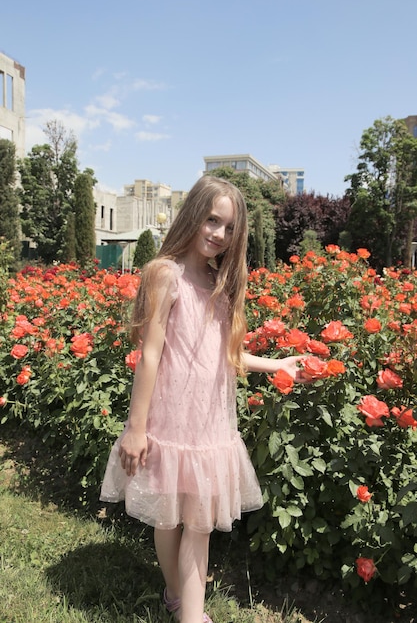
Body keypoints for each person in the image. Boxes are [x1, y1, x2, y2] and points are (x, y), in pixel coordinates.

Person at [100, 175, 307, 623]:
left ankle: (189, 615)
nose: (219, 234)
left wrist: (278, 365)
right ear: (193, 215)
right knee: (169, 517)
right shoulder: (164, 275)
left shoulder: (221, 284)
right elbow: (150, 356)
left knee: (199, 522)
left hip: (210, 421)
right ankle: (177, 595)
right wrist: (136, 429)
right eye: (212, 220)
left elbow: (227, 353)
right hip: (171, 417)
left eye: (230, 227)